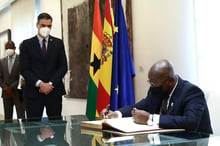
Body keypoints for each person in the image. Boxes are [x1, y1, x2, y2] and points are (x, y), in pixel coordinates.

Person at [101, 59, 213, 134]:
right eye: (150, 82)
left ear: (170, 81)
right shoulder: (157, 91)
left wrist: (151, 119)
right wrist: (116, 114)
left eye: (154, 83)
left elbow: (191, 122)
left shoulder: (191, 92)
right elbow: (139, 107)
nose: (151, 86)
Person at [19, 12, 68, 121]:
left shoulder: (58, 43)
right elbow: (24, 69)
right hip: (33, 93)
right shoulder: (26, 44)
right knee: (32, 127)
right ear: (37, 25)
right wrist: (40, 84)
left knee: (57, 127)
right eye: (43, 25)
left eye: (49, 26)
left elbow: (63, 66)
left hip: (54, 91)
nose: (46, 28)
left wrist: (50, 84)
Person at [0, 41, 25, 122]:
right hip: (6, 93)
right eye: (7, 48)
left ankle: (22, 134)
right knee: (7, 119)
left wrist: (11, 87)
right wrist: (5, 88)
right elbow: (0, 77)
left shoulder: (21, 59)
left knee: (21, 117)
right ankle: (7, 135)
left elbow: (21, 76)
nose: (8, 49)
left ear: (15, 48)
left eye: (10, 48)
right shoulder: (2, 61)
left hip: (18, 93)